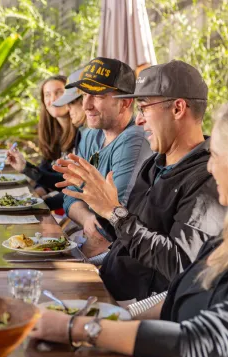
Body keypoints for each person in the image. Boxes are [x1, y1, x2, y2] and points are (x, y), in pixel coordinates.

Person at [30, 103, 228, 357]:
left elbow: (196, 341)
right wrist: (114, 318)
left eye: (216, 155)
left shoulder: (196, 183)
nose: (209, 165)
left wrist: (79, 328)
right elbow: (178, 293)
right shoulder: (221, 240)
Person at [57, 60, 225, 303]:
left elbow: (180, 265)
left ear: (178, 109)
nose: (137, 120)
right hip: (107, 281)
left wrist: (113, 212)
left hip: (136, 307)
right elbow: (126, 235)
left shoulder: (208, 178)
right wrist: (103, 207)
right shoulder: (155, 163)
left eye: (144, 107)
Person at [53, 57, 153, 257]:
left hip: (118, 253)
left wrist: (77, 262)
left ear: (125, 103)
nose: (86, 106)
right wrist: (88, 218)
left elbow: (110, 224)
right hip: (86, 236)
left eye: (97, 96)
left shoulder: (134, 140)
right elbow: (69, 196)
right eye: (84, 95)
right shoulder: (92, 134)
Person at [7, 69, 86, 210]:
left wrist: (28, 169)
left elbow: (68, 182)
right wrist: (39, 192)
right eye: (47, 95)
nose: (53, 99)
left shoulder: (83, 134)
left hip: (72, 208)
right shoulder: (53, 134)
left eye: (59, 92)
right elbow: (46, 172)